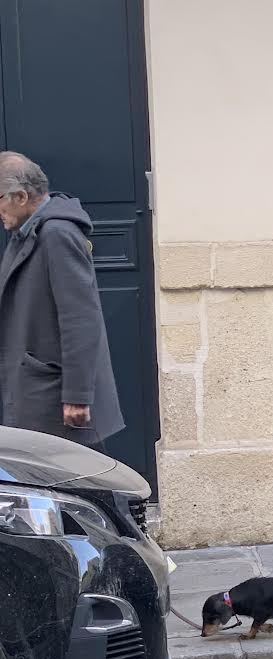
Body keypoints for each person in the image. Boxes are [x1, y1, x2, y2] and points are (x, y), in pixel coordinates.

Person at [0, 151, 124, 450]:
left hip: (51, 391)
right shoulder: (26, 231)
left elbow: (80, 318)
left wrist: (78, 395)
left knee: (74, 481)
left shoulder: (56, 234)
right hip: (34, 383)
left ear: (20, 196)